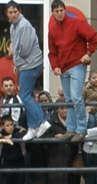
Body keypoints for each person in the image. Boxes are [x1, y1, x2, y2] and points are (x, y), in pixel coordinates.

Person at [48, 0, 97, 143]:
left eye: (61, 10)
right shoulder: (52, 30)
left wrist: (88, 54)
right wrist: (55, 66)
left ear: (65, 10)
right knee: (69, 99)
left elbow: (94, 37)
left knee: (76, 97)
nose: (59, 13)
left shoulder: (76, 23)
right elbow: (52, 52)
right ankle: (70, 129)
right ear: (52, 13)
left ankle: (81, 129)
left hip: (77, 64)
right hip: (63, 68)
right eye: (56, 11)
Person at [6, 1, 51, 141]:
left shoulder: (24, 25)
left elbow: (24, 50)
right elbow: (16, 47)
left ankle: (42, 121)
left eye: (15, 11)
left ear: (19, 11)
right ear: (7, 13)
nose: (13, 14)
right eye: (10, 12)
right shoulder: (14, 26)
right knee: (28, 96)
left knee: (24, 95)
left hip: (30, 64)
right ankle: (32, 127)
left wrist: (15, 56)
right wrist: (16, 61)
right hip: (25, 65)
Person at [40, 104, 79, 184]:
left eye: (66, 108)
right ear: (57, 109)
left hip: (72, 156)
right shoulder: (50, 122)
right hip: (56, 157)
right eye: (62, 108)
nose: (64, 111)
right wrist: (53, 137)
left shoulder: (74, 121)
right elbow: (42, 138)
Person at [0, 116, 25, 184]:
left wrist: (9, 138)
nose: (10, 127)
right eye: (7, 125)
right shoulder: (2, 135)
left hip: (19, 163)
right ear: (3, 126)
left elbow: (23, 133)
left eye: (11, 125)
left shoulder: (18, 133)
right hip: (6, 164)